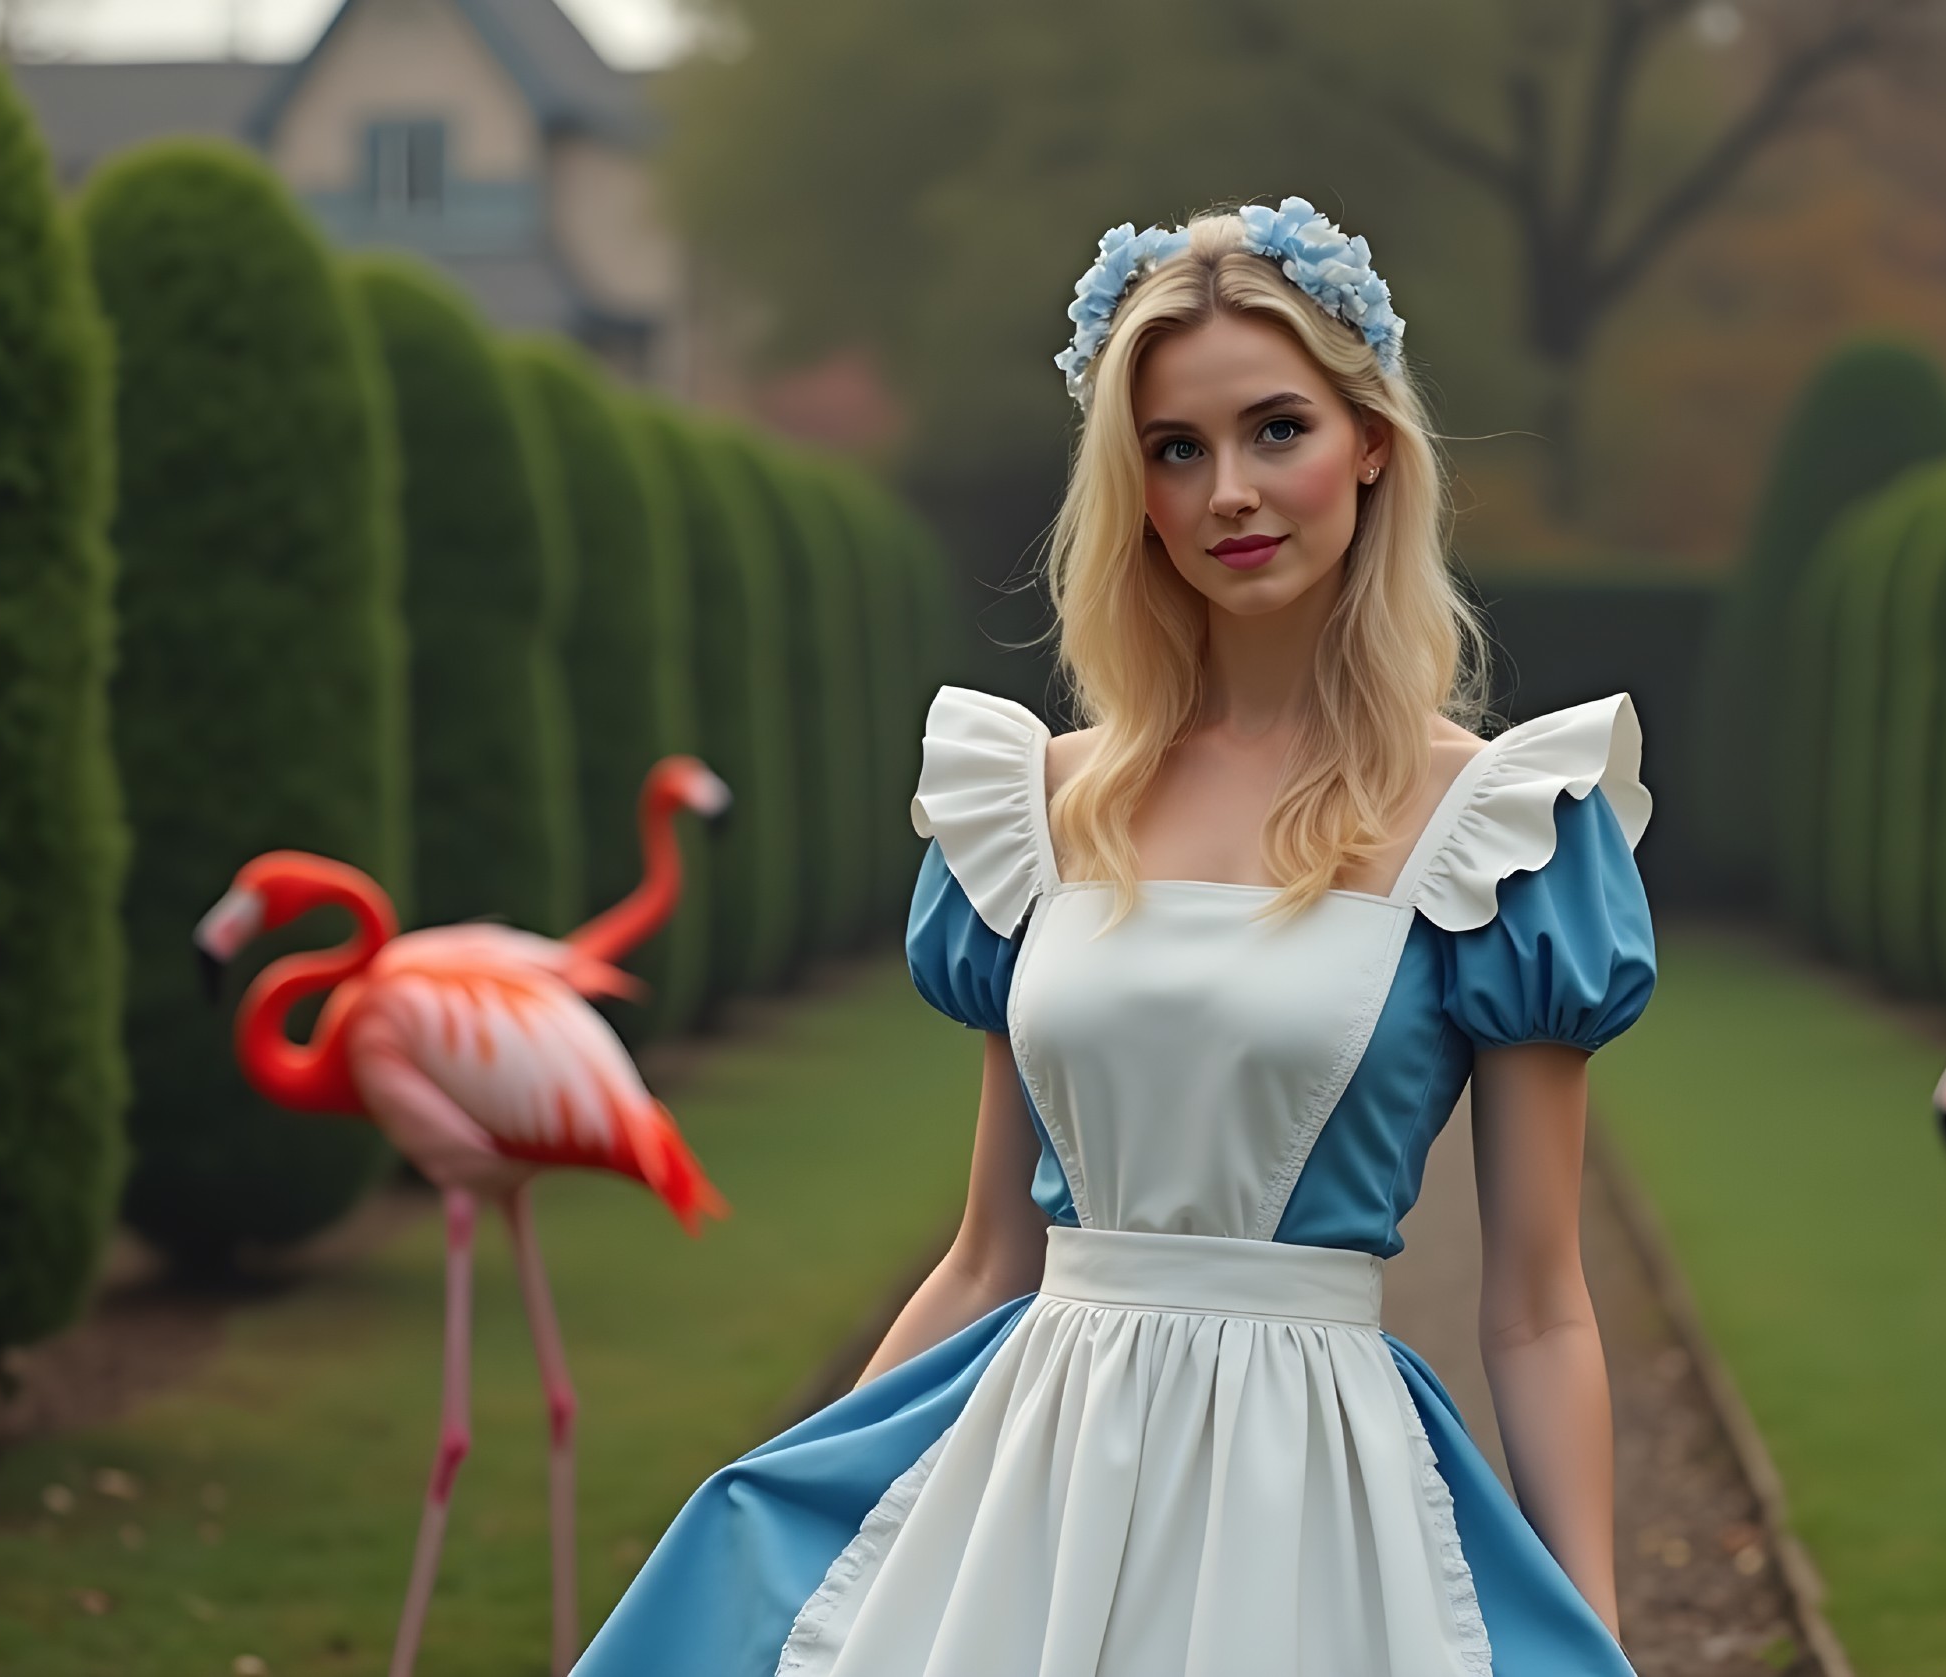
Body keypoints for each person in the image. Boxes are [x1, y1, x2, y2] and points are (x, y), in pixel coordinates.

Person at [578, 196, 1656, 1677]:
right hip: (1036, 1476)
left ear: (1370, 447)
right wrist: (807, 1519)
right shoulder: (1036, 803)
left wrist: (1591, 1630)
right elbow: (986, 1253)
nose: (1229, 489)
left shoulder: (1496, 828)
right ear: (1130, 486)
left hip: (1318, 1501)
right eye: (1175, 447)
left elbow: (1536, 1305)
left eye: (1276, 428)